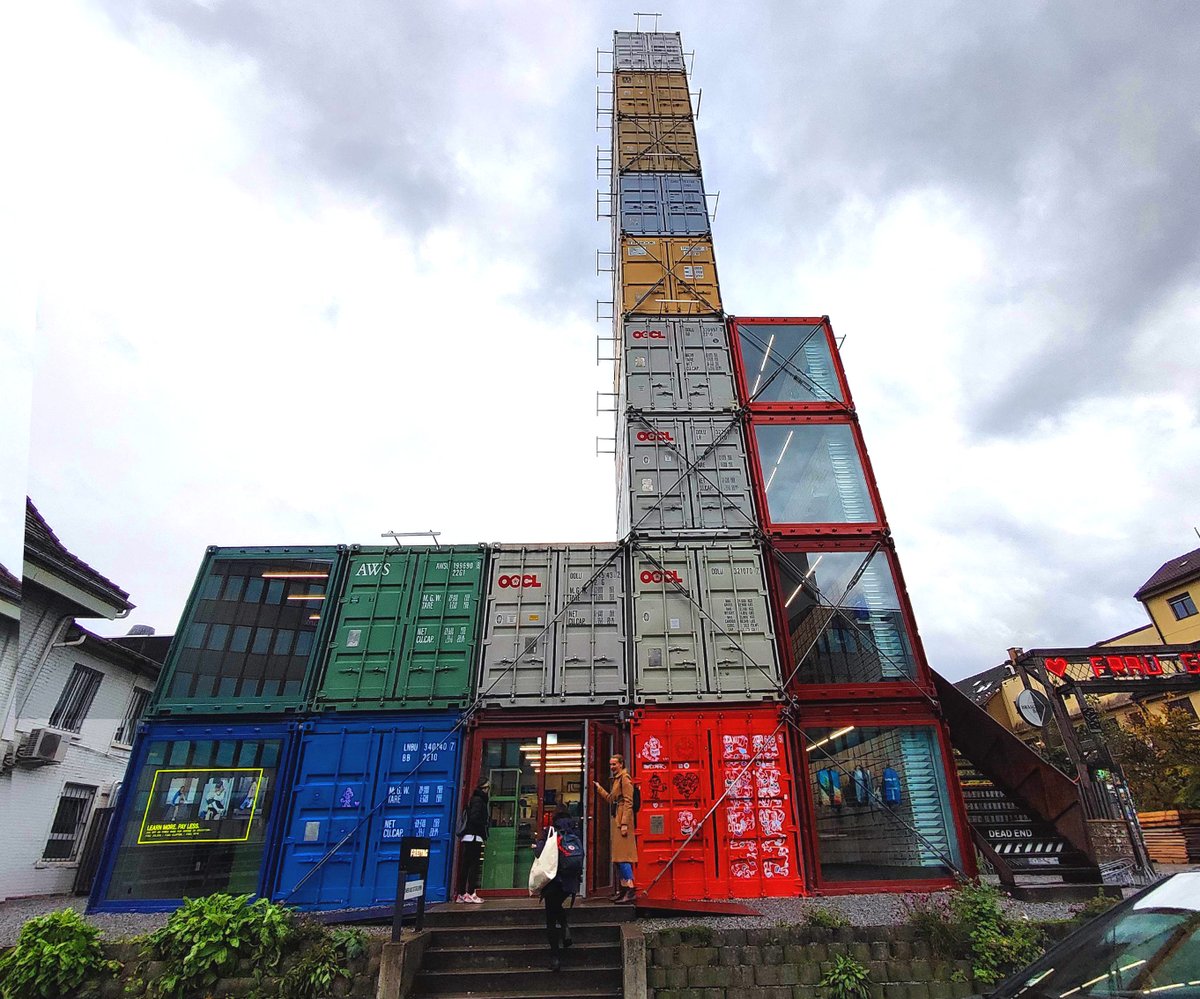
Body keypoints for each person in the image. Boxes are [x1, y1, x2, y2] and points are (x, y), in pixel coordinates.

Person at [533, 806, 582, 971]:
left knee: (550, 919)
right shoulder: (576, 830)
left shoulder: (550, 831)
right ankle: (565, 925)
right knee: (557, 906)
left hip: (553, 880)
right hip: (571, 882)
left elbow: (539, 852)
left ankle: (555, 958)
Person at [593, 753, 637, 903]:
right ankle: (624, 889)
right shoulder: (617, 779)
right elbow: (612, 799)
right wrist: (600, 789)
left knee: (623, 857)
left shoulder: (625, 778)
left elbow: (629, 802)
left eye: (614, 764)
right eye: (610, 764)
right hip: (617, 821)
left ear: (621, 764)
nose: (611, 767)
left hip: (622, 823)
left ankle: (630, 890)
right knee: (618, 858)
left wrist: (624, 823)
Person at [455, 779, 489, 903]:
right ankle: (470, 893)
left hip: (468, 837)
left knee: (466, 865)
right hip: (474, 837)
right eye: (487, 787)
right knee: (473, 866)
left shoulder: (473, 799)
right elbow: (475, 818)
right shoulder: (479, 801)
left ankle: (461, 893)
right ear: (483, 788)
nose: (488, 790)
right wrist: (483, 826)